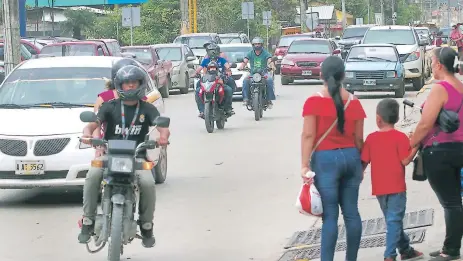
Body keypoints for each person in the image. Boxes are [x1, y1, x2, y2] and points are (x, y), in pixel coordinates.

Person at [78, 64, 170, 248]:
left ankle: (146, 225)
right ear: (119, 84)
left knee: (147, 183)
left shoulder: (147, 108)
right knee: (93, 176)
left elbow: (163, 127)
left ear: (140, 84)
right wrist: (88, 134)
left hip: (137, 156)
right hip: (110, 154)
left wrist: (162, 137)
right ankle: (88, 221)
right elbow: (93, 124)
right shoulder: (109, 106)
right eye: (126, 83)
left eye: (134, 83)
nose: (130, 86)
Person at [300, 56, 366, 261]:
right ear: (343, 75)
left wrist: (303, 165)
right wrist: (361, 165)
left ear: (321, 76)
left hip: (325, 161)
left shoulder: (314, 101)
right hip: (351, 158)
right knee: (352, 213)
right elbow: (358, 139)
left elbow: (309, 136)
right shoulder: (355, 102)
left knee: (330, 217)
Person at [410, 47, 463, 261]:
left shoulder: (440, 88)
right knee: (455, 201)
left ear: (439, 65)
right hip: (459, 149)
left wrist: (410, 145)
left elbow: (424, 125)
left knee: (451, 203)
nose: (431, 66)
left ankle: (450, 250)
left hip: (439, 152)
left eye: (432, 63)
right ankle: (450, 245)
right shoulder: (460, 86)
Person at [361, 98, 423, 261]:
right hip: (396, 188)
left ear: (378, 118)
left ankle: (405, 249)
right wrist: (415, 145)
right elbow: (405, 160)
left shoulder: (371, 139)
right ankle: (390, 255)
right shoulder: (400, 137)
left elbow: (363, 162)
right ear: (396, 118)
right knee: (394, 221)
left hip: (380, 189)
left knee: (392, 221)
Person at [93, 58, 149, 157]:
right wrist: (98, 145)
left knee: (147, 169)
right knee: (95, 171)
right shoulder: (104, 98)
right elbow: (95, 124)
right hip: (108, 147)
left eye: (134, 81)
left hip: (135, 148)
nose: (130, 85)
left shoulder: (142, 99)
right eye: (126, 81)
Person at [194, 43, 234, 117]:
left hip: (219, 80)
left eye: (214, 51)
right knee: (197, 90)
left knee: (228, 90)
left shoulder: (221, 60)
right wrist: (195, 73)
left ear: (218, 51)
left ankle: (228, 108)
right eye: (210, 51)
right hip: (208, 80)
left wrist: (228, 71)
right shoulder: (206, 60)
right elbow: (199, 68)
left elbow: (227, 66)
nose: (212, 53)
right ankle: (202, 110)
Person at [238, 37, 276, 107]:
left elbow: (269, 60)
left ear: (262, 45)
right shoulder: (250, 53)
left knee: (269, 80)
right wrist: (241, 66)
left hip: (264, 73)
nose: (257, 45)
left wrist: (272, 66)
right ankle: (246, 99)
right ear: (253, 45)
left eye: (259, 44)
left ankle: (269, 100)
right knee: (245, 80)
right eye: (255, 44)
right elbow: (245, 60)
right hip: (253, 73)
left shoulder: (265, 53)